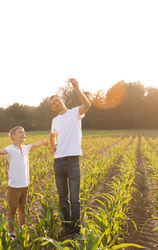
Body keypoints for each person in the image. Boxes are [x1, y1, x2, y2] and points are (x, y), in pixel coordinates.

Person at [0, 126, 48, 238]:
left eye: (24, 132)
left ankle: (22, 229)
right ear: (13, 136)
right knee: (12, 210)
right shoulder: (10, 149)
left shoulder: (25, 148)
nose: (23, 134)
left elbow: (34, 145)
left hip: (25, 185)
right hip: (14, 186)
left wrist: (43, 142)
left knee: (22, 208)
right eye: (20, 132)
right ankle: (11, 232)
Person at [49, 78, 91, 238]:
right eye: (53, 103)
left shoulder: (74, 113)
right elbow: (52, 135)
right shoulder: (55, 120)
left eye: (57, 100)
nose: (56, 103)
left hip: (73, 160)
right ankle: (66, 227)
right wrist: (53, 145)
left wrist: (77, 88)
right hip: (58, 162)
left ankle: (76, 229)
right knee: (62, 198)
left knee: (75, 198)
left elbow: (87, 105)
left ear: (62, 100)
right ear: (52, 108)